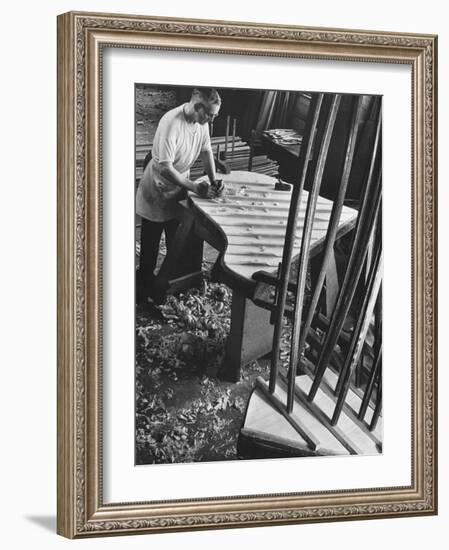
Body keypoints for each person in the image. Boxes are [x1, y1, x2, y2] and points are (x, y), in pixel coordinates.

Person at [136, 87, 222, 307]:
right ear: (197, 107)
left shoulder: (201, 125)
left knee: (177, 242)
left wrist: (214, 181)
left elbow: (206, 151)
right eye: (210, 115)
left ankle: (165, 286)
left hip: (179, 188)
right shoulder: (171, 123)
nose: (212, 120)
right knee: (150, 249)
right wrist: (194, 186)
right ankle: (142, 292)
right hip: (157, 188)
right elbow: (165, 169)